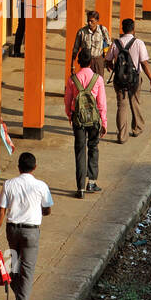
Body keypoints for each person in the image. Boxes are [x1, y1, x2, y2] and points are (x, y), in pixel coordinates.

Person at [0, 153, 53, 300]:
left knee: (12, 266)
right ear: (35, 167)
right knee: (27, 273)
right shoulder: (41, 186)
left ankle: (18, 296)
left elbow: (1, 212)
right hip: (31, 232)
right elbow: (47, 210)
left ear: (18, 167)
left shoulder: (9, 184)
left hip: (12, 230)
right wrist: (38, 211)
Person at [64, 47, 107, 199]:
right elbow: (101, 103)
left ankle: (80, 187)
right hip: (94, 120)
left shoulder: (72, 79)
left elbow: (68, 100)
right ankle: (92, 182)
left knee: (80, 150)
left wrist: (70, 115)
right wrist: (104, 122)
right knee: (93, 148)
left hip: (78, 120)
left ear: (78, 62)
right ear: (91, 61)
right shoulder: (98, 79)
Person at [105, 18, 151, 144]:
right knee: (135, 102)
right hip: (135, 79)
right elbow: (144, 63)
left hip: (119, 79)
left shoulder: (116, 43)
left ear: (122, 29)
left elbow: (108, 60)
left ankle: (122, 136)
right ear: (134, 29)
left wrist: (114, 68)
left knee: (121, 106)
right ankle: (137, 128)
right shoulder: (139, 43)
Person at [70, 9, 110, 78]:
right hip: (85, 62)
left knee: (98, 82)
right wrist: (72, 65)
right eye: (88, 20)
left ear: (97, 21)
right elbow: (75, 49)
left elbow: (109, 45)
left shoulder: (103, 30)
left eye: (92, 21)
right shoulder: (81, 32)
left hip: (98, 61)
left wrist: (108, 62)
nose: (89, 23)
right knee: (85, 83)